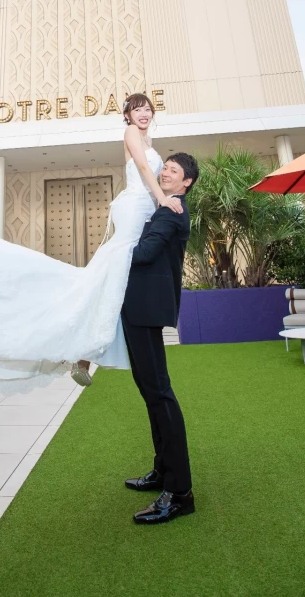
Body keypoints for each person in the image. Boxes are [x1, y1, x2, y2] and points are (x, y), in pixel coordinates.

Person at [0, 93, 183, 396]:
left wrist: (160, 201)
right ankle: (80, 349)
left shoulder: (149, 140)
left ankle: (83, 352)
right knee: (114, 273)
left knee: (110, 279)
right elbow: (143, 169)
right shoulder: (131, 133)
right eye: (137, 109)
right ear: (128, 115)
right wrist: (162, 200)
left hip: (144, 208)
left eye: (147, 109)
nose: (143, 114)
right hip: (136, 206)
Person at [122, 152, 199, 525]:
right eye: (164, 167)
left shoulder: (172, 210)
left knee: (160, 394)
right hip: (139, 307)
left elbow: (145, 252)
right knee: (150, 392)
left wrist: (116, 247)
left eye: (174, 170)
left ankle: (180, 492)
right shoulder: (163, 208)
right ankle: (162, 471)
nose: (166, 172)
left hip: (147, 309)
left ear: (186, 182)